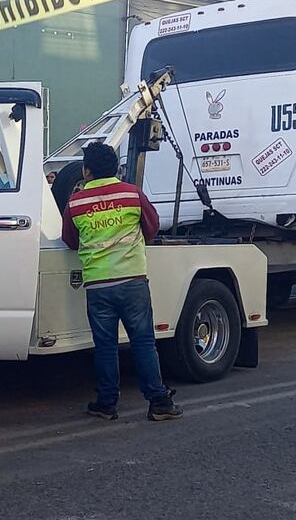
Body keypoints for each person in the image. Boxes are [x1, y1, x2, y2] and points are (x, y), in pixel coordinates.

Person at [61, 142, 183, 422]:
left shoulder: (76, 202)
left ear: (86, 170)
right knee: (143, 342)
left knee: (105, 346)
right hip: (133, 282)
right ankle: (159, 402)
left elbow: (69, 239)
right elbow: (151, 228)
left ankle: (106, 404)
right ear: (115, 168)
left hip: (98, 285)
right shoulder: (132, 194)